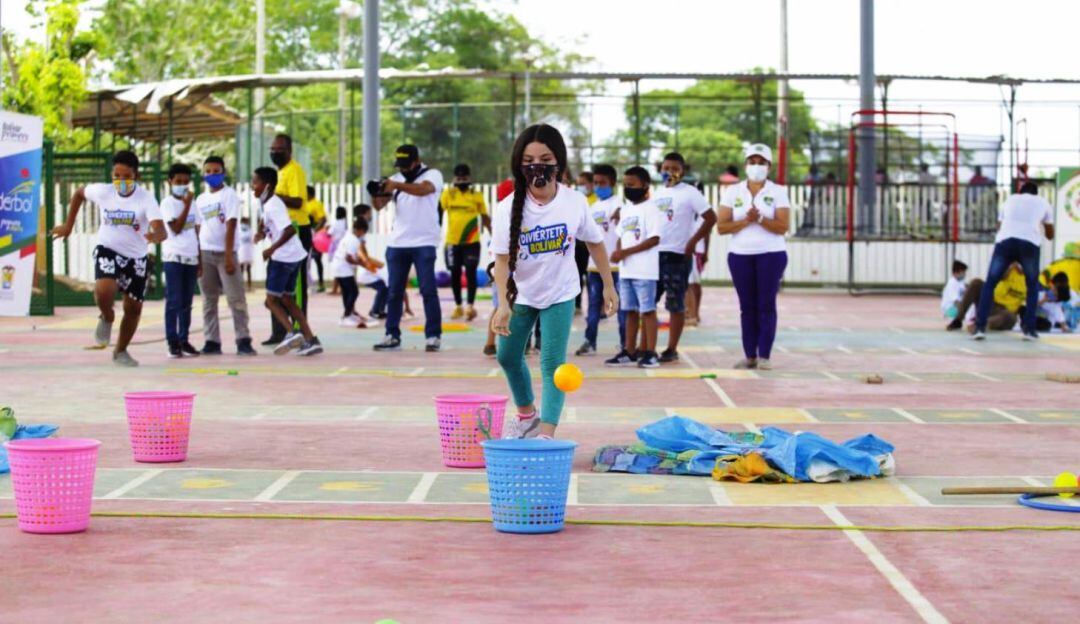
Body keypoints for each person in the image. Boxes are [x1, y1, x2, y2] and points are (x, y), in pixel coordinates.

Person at [491, 124, 618, 439]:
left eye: (545, 158)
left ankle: (546, 433)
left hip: (561, 293)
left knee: (552, 364)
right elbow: (502, 261)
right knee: (506, 355)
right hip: (521, 294)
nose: (537, 165)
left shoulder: (574, 202)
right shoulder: (507, 209)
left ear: (558, 162)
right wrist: (502, 304)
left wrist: (609, 285)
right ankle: (527, 415)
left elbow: (596, 243)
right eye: (529, 159)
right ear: (520, 165)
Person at [51, 150, 166, 367]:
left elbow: (161, 229)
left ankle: (120, 351)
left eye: (126, 177)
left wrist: (156, 235)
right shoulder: (103, 191)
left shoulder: (146, 198)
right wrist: (68, 225)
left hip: (136, 257)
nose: (121, 182)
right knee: (104, 291)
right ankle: (107, 316)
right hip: (108, 249)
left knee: (133, 309)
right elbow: (78, 194)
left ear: (136, 176)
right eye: (117, 176)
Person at [716, 143, 791, 370]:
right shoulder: (732, 191)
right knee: (747, 307)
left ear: (769, 166)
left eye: (761, 162)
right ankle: (750, 355)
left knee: (766, 305)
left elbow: (782, 226)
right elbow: (722, 226)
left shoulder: (778, 191)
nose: (756, 166)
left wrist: (760, 219)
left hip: (771, 254)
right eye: (752, 162)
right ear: (745, 165)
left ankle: (765, 355)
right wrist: (746, 220)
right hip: (740, 255)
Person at [371, 144, 444, 352]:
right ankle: (391, 334)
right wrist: (376, 192)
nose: (402, 169)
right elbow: (378, 206)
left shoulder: (433, 175)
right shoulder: (397, 179)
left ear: (416, 161)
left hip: (424, 242)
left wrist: (396, 185)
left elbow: (424, 190)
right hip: (398, 243)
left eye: (406, 165)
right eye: (399, 165)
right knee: (394, 291)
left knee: (427, 289)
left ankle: (433, 336)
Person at [652, 152, 717, 363]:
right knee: (648, 301)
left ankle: (671, 348)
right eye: (666, 168)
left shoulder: (690, 193)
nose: (669, 172)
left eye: (674, 168)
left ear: (683, 170)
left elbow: (710, 218)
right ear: (660, 170)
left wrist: (692, 242)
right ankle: (647, 347)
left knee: (675, 303)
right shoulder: (657, 193)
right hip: (655, 254)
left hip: (678, 255)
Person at [252, 167, 323, 356]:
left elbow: (290, 229)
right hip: (294, 256)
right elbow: (269, 223)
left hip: (283, 258)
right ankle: (311, 340)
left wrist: (271, 249)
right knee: (286, 299)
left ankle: (292, 333)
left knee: (270, 301)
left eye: (255, 182)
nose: (253, 186)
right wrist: (261, 232)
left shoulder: (273, 204)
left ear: (266, 186)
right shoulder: (268, 204)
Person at [973, 181, 1054, 340]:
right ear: (1035, 193)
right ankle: (1029, 330)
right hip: (1029, 244)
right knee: (1032, 286)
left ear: (1020, 191)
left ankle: (979, 328)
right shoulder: (1043, 202)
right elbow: (1050, 234)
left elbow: (1000, 226)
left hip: (1005, 242)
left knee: (990, 283)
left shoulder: (1010, 199)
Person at [196, 155, 255, 356]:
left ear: (224, 173)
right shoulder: (201, 199)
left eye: (216, 171)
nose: (212, 175)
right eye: (208, 172)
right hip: (205, 253)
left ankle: (243, 339)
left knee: (235, 298)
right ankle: (212, 341)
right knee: (208, 300)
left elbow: (231, 225)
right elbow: (198, 227)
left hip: (225, 254)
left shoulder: (229, 195)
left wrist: (229, 256)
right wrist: (197, 256)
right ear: (203, 174)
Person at [606, 166, 661, 368]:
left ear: (645, 185)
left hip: (645, 271)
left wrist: (625, 253)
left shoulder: (651, 208)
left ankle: (650, 353)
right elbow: (621, 235)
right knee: (629, 311)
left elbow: (654, 239)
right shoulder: (627, 209)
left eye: (632, 184)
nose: (628, 188)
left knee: (647, 311)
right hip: (627, 270)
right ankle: (629, 351)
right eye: (626, 184)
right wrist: (620, 252)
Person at [264, 133, 311, 346]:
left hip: (296, 230)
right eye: (272, 149)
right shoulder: (279, 173)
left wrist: (273, 195)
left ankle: (301, 329)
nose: (275, 153)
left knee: (295, 288)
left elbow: (298, 201)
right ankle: (280, 332)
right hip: (279, 234)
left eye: (279, 149)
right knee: (276, 287)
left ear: (289, 151)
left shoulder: (295, 171)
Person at [576, 163, 625, 356]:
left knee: (621, 307)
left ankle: (625, 343)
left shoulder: (621, 205)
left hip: (617, 266)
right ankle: (590, 341)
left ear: (612, 183)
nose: (597, 186)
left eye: (602, 183)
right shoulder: (592, 207)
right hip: (593, 266)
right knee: (593, 306)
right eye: (595, 183)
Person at [160, 163, 202, 358]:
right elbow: (176, 228)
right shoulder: (167, 203)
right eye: (178, 182)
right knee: (174, 301)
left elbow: (197, 231)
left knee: (187, 302)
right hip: (174, 258)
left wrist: (199, 259)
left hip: (191, 257)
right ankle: (172, 340)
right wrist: (185, 205)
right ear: (170, 182)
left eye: (186, 182)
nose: (183, 185)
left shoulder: (194, 204)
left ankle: (184, 339)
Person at [440, 163, 490, 321]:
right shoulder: (448, 193)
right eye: (458, 178)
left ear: (469, 178)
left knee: (470, 273)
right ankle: (458, 306)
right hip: (452, 242)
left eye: (464, 178)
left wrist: (494, 234)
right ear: (454, 178)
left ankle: (470, 306)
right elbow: (438, 215)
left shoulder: (476, 195)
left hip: (472, 242)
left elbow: (485, 217)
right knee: (454, 273)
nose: (461, 180)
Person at [484, 178, 516, 357]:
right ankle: (500, 343)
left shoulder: (500, 212)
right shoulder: (509, 212)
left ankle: (490, 343)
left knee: (498, 306)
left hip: (497, 267)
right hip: (505, 268)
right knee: (505, 307)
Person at [330, 215, 375, 327]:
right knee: (354, 292)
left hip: (338, 267)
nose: (363, 235)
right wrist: (362, 264)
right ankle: (346, 316)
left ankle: (349, 314)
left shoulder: (348, 236)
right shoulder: (354, 240)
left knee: (346, 292)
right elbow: (348, 258)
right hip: (344, 268)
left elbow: (351, 256)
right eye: (364, 232)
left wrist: (359, 261)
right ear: (360, 230)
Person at [953, 265, 1026, 333]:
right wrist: (1007, 268)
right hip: (989, 301)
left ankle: (981, 325)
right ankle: (958, 320)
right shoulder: (1010, 268)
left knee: (1011, 317)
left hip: (1005, 312)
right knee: (976, 283)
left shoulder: (1033, 277)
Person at [306, 185, 328, 293]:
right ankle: (309, 283)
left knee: (318, 260)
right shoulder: (305, 204)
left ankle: (321, 284)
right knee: (307, 261)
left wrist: (314, 231)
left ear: (309, 193)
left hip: (316, 237)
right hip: (308, 234)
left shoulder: (316, 204)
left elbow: (323, 219)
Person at [327, 206, 349, 296]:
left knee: (337, 269)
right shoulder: (345, 223)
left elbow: (329, 233)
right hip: (343, 246)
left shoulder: (335, 223)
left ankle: (335, 289)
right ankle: (341, 289)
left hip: (335, 247)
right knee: (342, 268)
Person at [943, 260, 969, 327]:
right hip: (950, 310)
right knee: (970, 312)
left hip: (956, 308)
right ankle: (955, 321)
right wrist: (963, 311)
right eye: (963, 272)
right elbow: (956, 302)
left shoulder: (961, 282)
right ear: (956, 273)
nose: (965, 274)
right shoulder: (952, 283)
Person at [238, 217, 255, 291]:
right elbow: (252, 241)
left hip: (242, 251)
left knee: (242, 269)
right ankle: (248, 286)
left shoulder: (239, 229)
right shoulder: (249, 230)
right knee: (247, 269)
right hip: (247, 251)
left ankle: (243, 286)